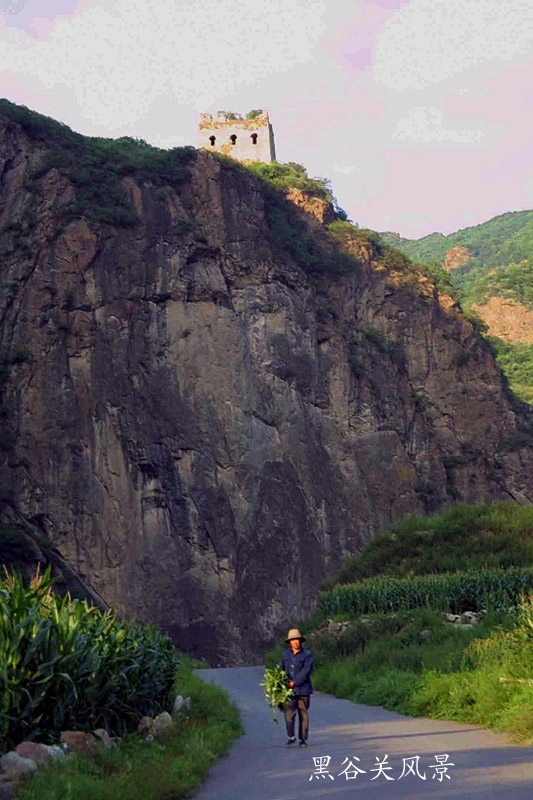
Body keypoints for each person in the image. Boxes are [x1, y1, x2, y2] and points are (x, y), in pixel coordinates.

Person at [278, 627, 313, 747]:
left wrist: (295, 682)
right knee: (289, 714)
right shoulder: (285, 655)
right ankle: (291, 736)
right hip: (288, 691)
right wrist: (281, 681)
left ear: (301, 641)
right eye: (293, 640)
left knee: (303, 714)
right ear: (290, 642)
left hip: (303, 690)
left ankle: (303, 739)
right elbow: (281, 669)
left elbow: (306, 671)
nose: (296, 642)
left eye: (297, 640)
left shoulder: (307, 655)